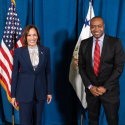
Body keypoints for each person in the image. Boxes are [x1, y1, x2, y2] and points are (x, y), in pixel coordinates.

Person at [78, 16, 124, 125]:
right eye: (93, 26)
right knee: (93, 121)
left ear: (104, 26)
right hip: (91, 91)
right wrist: (90, 86)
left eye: (99, 26)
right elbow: (81, 67)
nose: (96, 29)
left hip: (110, 91)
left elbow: (119, 67)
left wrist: (105, 87)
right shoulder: (84, 44)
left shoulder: (115, 42)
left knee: (112, 120)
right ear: (90, 28)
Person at [11, 25, 52, 125]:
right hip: (24, 92)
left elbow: (48, 72)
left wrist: (49, 92)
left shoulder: (45, 50)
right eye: (29, 35)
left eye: (34, 35)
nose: (32, 38)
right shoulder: (18, 52)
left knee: (38, 122)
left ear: (38, 36)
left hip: (40, 92)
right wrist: (13, 95)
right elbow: (15, 74)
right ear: (25, 37)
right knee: (24, 122)